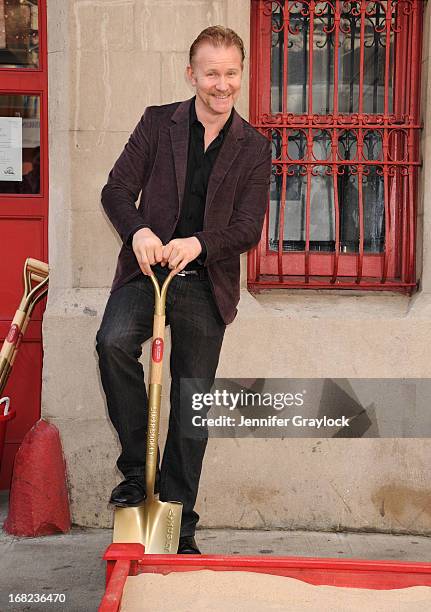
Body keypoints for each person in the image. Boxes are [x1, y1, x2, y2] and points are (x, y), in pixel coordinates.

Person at [96, 26, 271, 554]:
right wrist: (140, 232)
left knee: (191, 404)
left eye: (231, 73)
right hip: (147, 273)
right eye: (211, 73)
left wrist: (197, 244)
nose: (222, 84)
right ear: (191, 73)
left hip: (203, 279)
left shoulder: (255, 147)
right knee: (112, 343)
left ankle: (178, 528)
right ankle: (135, 471)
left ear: (242, 75)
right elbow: (116, 190)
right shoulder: (158, 123)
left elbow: (246, 229)